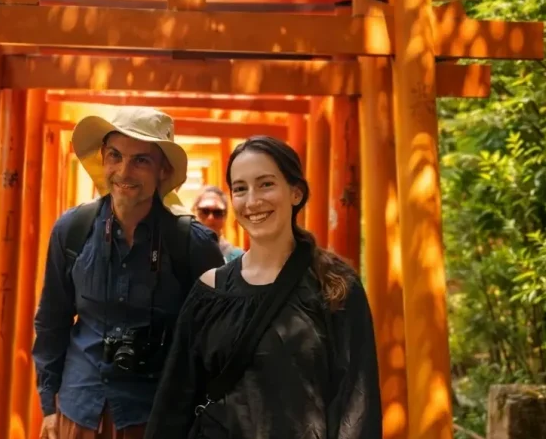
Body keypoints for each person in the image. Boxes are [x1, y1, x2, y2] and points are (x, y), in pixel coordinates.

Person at [145, 136, 382, 439]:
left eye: (266, 184)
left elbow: (357, 404)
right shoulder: (211, 290)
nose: (253, 201)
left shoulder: (334, 286)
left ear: (296, 192)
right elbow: (174, 402)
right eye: (240, 189)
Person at [33, 106, 224, 439]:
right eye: (115, 156)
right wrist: (49, 406)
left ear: (163, 171)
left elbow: (215, 340)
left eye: (141, 160)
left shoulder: (192, 244)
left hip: (156, 416)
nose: (124, 171)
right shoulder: (72, 230)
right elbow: (52, 319)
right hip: (79, 410)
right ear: (103, 160)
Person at [192, 186, 244, 263]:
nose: (210, 218)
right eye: (204, 211)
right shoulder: (180, 253)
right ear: (194, 212)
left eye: (217, 212)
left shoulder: (238, 258)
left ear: (225, 216)